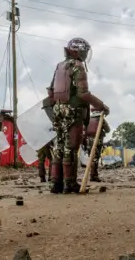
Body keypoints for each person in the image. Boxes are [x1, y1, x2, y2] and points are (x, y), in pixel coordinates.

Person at [46, 37, 109, 194]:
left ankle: (55, 183)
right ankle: (69, 183)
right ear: (79, 51)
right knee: (71, 147)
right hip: (73, 111)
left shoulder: (59, 66)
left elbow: (51, 91)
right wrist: (101, 105)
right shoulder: (78, 66)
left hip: (58, 110)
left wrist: (58, 107)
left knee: (59, 146)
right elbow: (83, 93)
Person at [83, 108, 110, 183]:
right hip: (97, 141)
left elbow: (84, 130)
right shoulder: (101, 119)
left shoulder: (88, 119)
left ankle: (93, 175)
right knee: (95, 159)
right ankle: (93, 176)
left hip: (88, 141)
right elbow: (108, 130)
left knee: (91, 158)